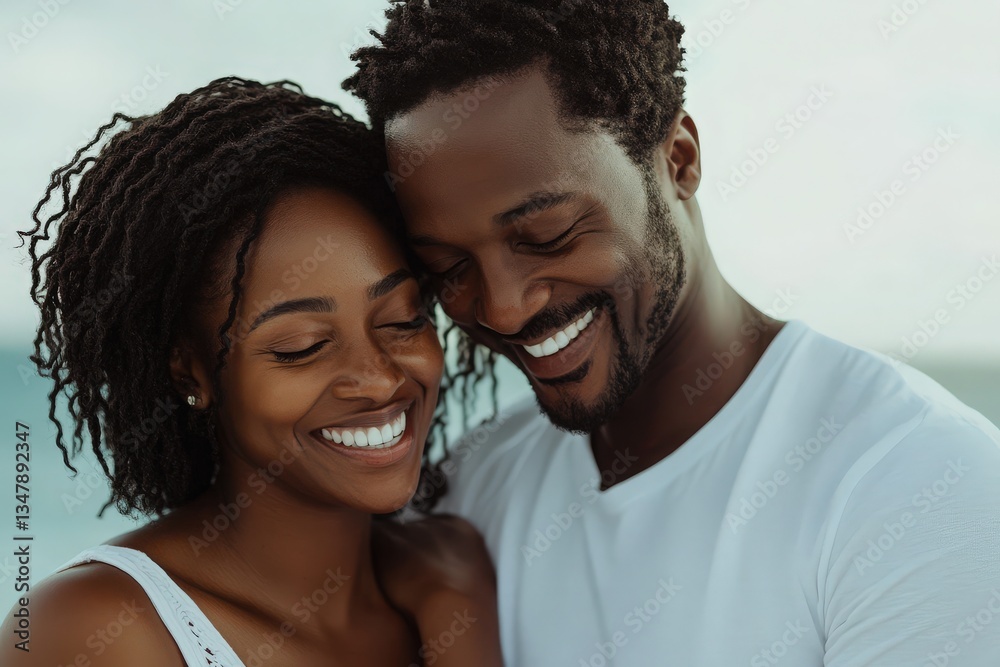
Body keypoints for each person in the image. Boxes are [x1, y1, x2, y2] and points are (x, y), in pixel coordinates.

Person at [344, 1, 1000, 664]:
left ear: (679, 160)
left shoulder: (915, 482)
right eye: (450, 268)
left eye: (547, 235)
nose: (505, 309)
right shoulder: (470, 494)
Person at [1, 78, 503, 667]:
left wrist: (455, 605)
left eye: (401, 320)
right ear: (190, 373)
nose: (378, 379)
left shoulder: (453, 567)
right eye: (301, 347)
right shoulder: (98, 629)